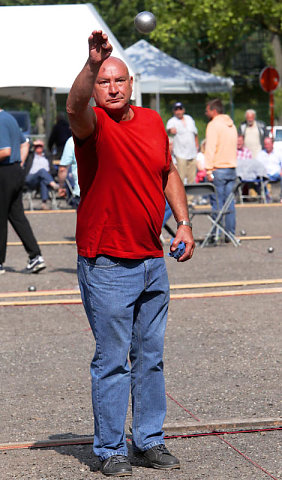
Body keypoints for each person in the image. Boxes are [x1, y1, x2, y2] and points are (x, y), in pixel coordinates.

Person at [66, 30, 195, 477]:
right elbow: (73, 106)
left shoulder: (153, 123)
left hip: (151, 261)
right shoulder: (92, 126)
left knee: (151, 356)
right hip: (106, 262)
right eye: (104, 82)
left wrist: (182, 222)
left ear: (132, 83)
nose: (113, 87)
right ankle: (110, 449)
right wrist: (90, 64)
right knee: (111, 360)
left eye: (118, 80)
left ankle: (148, 441)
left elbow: (167, 172)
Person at [0, 109, 46, 274]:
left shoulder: (0, 120)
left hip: (4, 171)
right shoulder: (9, 118)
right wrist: (20, 165)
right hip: (15, 171)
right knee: (17, 216)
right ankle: (35, 256)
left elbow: (5, 151)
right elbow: (25, 143)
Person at [204, 98, 238, 242]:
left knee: (216, 204)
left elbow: (210, 148)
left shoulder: (213, 125)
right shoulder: (231, 125)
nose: (205, 113)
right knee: (229, 204)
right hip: (231, 168)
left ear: (214, 111)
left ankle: (214, 234)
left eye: (207, 110)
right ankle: (230, 234)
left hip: (218, 169)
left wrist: (208, 170)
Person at [166, 102, 199, 185]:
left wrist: (197, 145)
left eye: (180, 109)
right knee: (181, 177)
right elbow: (168, 130)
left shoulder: (189, 119)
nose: (178, 111)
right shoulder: (172, 121)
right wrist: (170, 131)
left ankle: (190, 198)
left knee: (192, 178)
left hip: (192, 153)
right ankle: (182, 197)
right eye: (176, 109)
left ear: (183, 110)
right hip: (180, 154)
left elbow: (195, 133)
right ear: (174, 111)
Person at [24, 139, 59, 210]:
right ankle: (53, 184)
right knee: (42, 171)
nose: (38, 147)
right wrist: (33, 143)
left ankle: (44, 203)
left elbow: (53, 170)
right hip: (30, 178)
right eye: (36, 146)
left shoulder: (47, 156)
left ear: (43, 147)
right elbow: (26, 147)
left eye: (40, 146)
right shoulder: (30, 155)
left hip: (43, 178)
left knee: (43, 180)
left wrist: (49, 174)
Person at [257, 137, 282, 202]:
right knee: (259, 179)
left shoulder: (278, 153)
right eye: (265, 144)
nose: (267, 146)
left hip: (276, 174)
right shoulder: (261, 154)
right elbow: (257, 165)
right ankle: (267, 197)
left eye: (268, 144)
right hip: (264, 175)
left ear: (272, 144)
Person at [57, 136, 80, 209]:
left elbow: (62, 169)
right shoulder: (103, 137)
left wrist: (61, 187)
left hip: (81, 191)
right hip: (104, 191)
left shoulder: (72, 141)